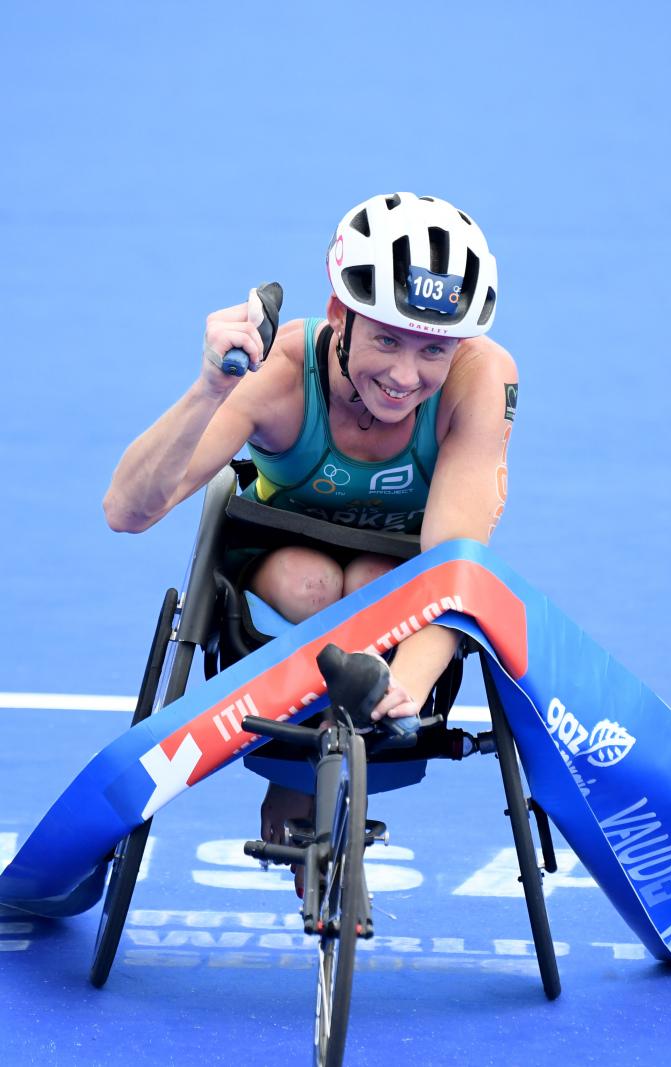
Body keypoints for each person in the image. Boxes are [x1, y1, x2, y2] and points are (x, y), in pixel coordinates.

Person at [104, 191, 517, 863]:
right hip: (279, 554)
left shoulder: (482, 378)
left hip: (402, 574)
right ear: (338, 315)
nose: (406, 376)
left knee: (370, 578)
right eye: (386, 338)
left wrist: (405, 686)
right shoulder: (283, 373)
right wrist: (211, 386)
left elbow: (452, 563)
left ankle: (334, 751)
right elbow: (126, 510)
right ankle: (300, 773)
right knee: (320, 580)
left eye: (433, 349)